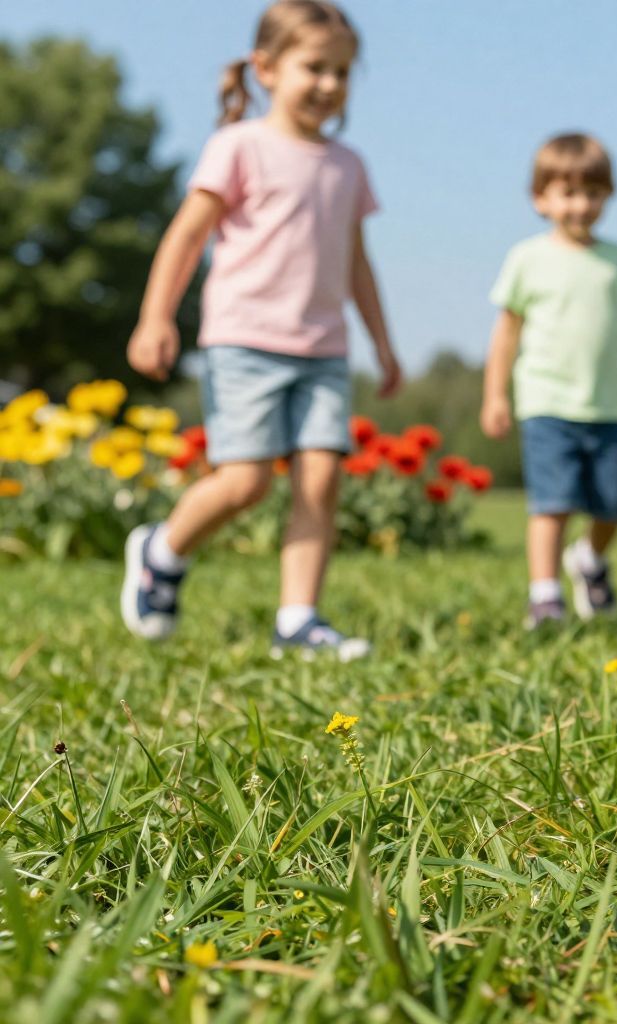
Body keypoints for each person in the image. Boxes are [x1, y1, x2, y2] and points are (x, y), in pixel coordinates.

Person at [121, 0, 400, 660]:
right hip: (245, 340)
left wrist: (383, 344)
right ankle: (161, 552)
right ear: (267, 68)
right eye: (315, 68)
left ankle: (298, 619)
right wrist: (156, 316)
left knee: (320, 479)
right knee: (245, 483)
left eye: (342, 72)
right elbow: (187, 236)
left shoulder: (348, 165)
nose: (330, 85)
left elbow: (357, 263)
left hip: (324, 348)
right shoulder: (239, 146)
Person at [480, 134, 617, 629]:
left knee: (613, 506)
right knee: (551, 504)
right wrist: (495, 395)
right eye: (568, 193)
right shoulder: (526, 259)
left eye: (593, 194)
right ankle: (545, 597)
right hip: (546, 402)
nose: (581, 205)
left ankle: (589, 561)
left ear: (607, 197)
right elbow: (505, 336)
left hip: (609, 407)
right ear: (541, 198)